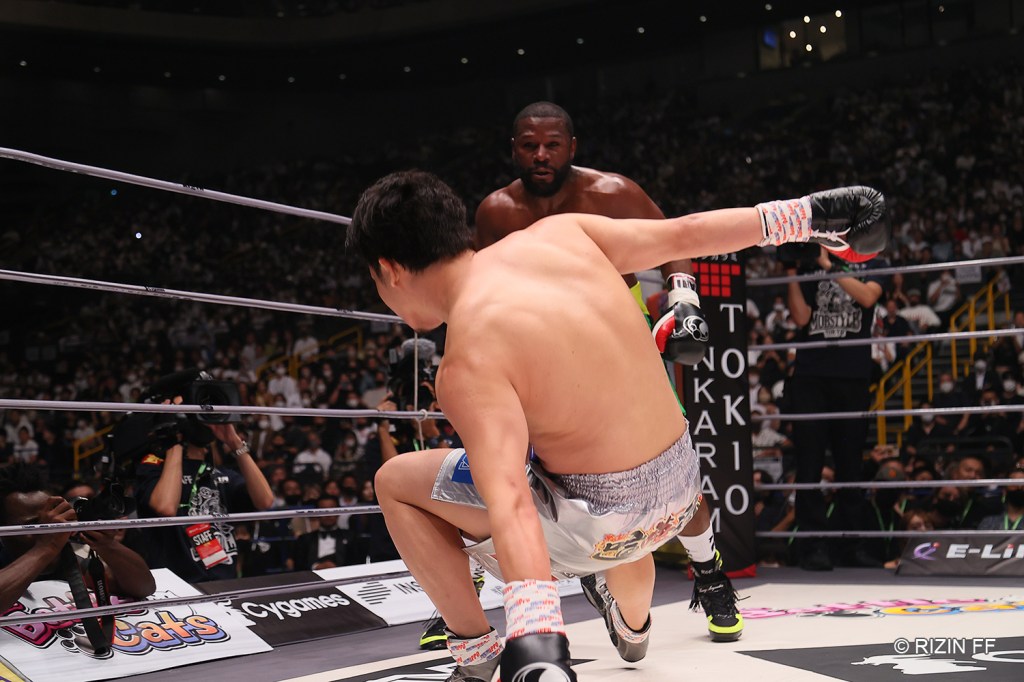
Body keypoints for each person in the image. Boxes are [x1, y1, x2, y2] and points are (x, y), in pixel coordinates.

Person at [346, 169, 887, 680]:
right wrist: (803, 216)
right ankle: (632, 625)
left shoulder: (465, 361)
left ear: (389, 269)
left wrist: (537, 640)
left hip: (601, 522)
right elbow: (683, 235)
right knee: (578, 477)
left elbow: (509, 500)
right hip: (680, 491)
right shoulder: (560, 233)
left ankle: (475, 653)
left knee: (397, 482)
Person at [470, 101, 738, 649]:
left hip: (620, 343)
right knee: (512, 463)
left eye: (551, 144)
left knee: (669, 459)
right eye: (528, 144)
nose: (540, 155)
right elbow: (480, 290)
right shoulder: (496, 212)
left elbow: (675, 241)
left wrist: (682, 299)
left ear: (574, 146)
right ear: (512, 149)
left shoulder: (612, 194)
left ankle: (709, 572)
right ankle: (471, 590)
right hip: (538, 353)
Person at [784, 245, 886, 571]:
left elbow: (868, 298)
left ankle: (852, 545)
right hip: (811, 376)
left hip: (852, 377)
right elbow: (801, 317)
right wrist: (791, 274)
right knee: (809, 464)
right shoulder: (807, 265)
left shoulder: (873, 262)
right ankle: (813, 546)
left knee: (850, 465)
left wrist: (830, 267)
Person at [133, 372, 275, 582]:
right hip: (177, 590)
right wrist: (174, 439)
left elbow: (265, 501)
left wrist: (234, 442)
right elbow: (165, 507)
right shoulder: (154, 466)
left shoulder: (221, 474)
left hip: (224, 586)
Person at [0, 461, 155, 613]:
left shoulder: (67, 555)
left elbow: (144, 587)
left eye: (51, 518)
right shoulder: (45, 547)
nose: (49, 529)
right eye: (33, 524)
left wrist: (107, 545)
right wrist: (45, 547)